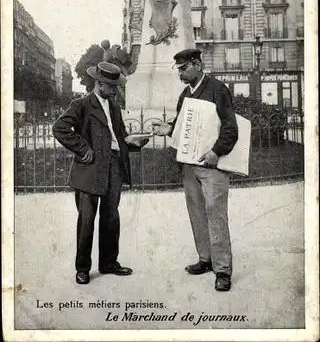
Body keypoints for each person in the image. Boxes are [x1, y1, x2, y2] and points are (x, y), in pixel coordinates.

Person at [52, 62, 148, 285]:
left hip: (114, 166)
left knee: (111, 216)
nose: (115, 90)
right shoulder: (81, 104)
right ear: (99, 83)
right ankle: (83, 268)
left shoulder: (114, 106)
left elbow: (119, 135)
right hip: (90, 168)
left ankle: (108, 263)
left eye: (116, 86)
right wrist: (83, 148)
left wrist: (131, 142)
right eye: (111, 86)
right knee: (86, 219)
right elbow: (60, 128)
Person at [153, 49, 238, 292]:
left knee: (216, 215)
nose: (179, 73)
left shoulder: (218, 89)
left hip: (212, 165)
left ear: (198, 65)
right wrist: (169, 128)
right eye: (178, 69)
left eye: (183, 68)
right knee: (197, 213)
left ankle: (222, 270)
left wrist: (216, 151)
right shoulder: (185, 94)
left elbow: (231, 128)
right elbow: (183, 127)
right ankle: (206, 259)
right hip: (190, 166)